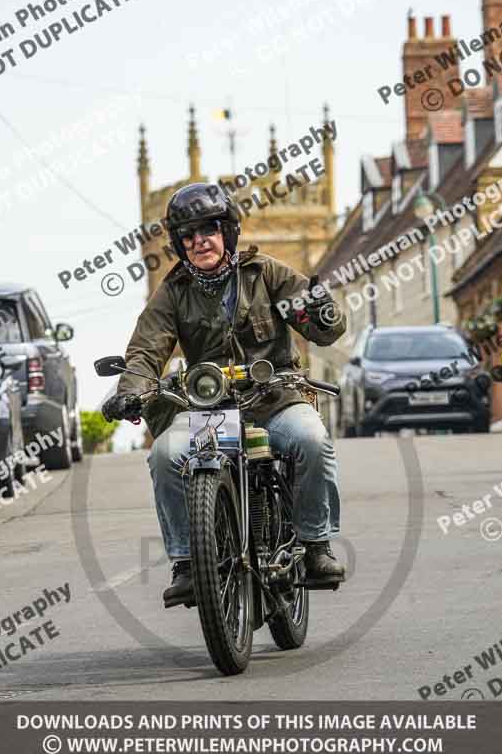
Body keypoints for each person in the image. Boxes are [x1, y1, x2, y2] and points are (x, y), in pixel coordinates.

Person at [102, 182, 347, 608]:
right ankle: (186, 563)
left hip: (275, 399)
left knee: (311, 439)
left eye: (208, 230)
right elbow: (144, 352)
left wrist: (320, 309)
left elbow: (324, 330)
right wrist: (131, 391)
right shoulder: (172, 293)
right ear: (180, 244)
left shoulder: (267, 272)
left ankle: (315, 545)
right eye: (188, 235)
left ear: (227, 232)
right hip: (207, 409)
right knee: (163, 455)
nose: (200, 241)